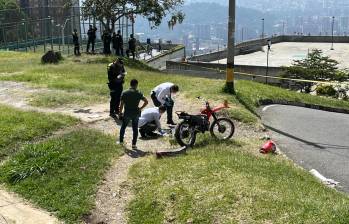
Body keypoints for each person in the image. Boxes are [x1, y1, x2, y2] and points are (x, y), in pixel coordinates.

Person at [119, 79, 148, 149]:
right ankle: (134, 145)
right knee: (135, 129)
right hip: (136, 113)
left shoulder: (124, 92)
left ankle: (121, 141)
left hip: (127, 113)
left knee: (123, 127)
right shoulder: (139, 93)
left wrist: (120, 113)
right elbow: (146, 101)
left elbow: (121, 104)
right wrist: (140, 108)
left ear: (130, 84)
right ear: (136, 85)